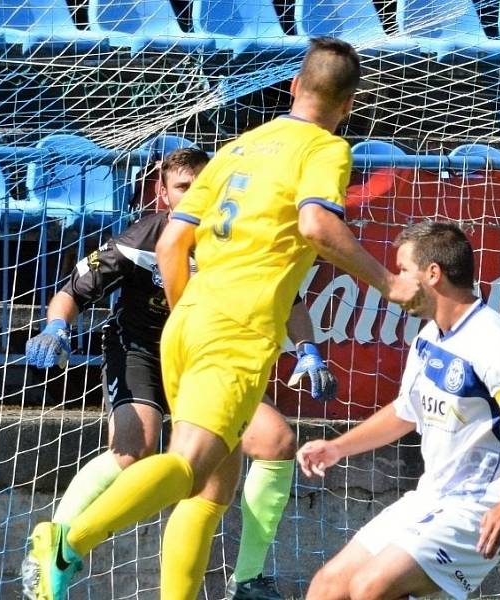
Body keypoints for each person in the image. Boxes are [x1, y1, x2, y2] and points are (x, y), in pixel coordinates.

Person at [22, 36, 424, 600]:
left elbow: (172, 245)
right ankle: (67, 541)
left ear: (292, 87)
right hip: (238, 330)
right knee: (187, 466)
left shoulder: (239, 146)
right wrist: (389, 282)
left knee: (212, 490)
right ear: (349, 105)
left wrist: (194, 314)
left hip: (190, 321)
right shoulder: (327, 150)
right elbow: (316, 226)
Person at [20, 147, 337, 600]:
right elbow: (73, 289)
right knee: (136, 449)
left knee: (276, 442)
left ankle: (247, 580)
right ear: (162, 194)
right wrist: (56, 327)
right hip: (142, 353)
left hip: (209, 359)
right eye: (183, 187)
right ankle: (54, 543)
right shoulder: (143, 238)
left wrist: (308, 350)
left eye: (201, 186)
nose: (194, 196)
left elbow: (289, 299)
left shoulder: (235, 240)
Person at [297, 221, 500, 600]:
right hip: (431, 497)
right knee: (327, 587)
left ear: (433, 274)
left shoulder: (494, 343)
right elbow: (406, 411)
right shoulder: (430, 335)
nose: (395, 282)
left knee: (370, 587)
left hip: (477, 508)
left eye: (402, 271)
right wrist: (338, 448)